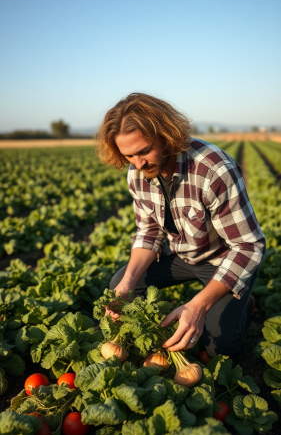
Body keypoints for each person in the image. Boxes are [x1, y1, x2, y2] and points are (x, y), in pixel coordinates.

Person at [95, 92, 266, 357]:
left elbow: (248, 246)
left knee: (219, 347)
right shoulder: (137, 173)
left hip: (223, 260)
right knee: (120, 284)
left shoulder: (213, 169)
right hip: (179, 256)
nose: (138, 163)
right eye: (129, 156)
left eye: (144, 151)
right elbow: (149, 231)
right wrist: (129, 281)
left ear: (166, 135)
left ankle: (244, 303)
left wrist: (197, 306)